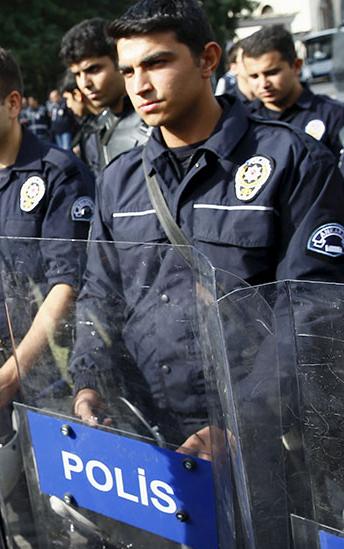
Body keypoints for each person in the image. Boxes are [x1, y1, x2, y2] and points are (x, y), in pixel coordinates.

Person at [68, 0, 344, 444]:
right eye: (128, 70)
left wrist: (246, 423)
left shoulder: (292, 161)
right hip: (149, 432)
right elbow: (101, 292)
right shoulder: (119, 179)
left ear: (208, 59)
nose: (140, 84)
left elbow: (309, 307)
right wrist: (88, 379)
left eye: (156, 63)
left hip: (261, 437)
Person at [0, 46, 95, 415]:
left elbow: (67, 284)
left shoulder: (60, 174)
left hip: (52, 376)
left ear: (12, 104)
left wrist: (14, 372)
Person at [60, 17, 150, 173]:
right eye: (78, 74)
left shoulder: (156, 120)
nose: (85, 83)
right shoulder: (93, 131)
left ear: (119, 60)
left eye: (93, 69)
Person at [243, 25, 344, 160]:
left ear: (296, 66)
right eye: (254, 76)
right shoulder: (243, 120)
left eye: (272, 73)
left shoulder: (333, 115)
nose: (263, 84)